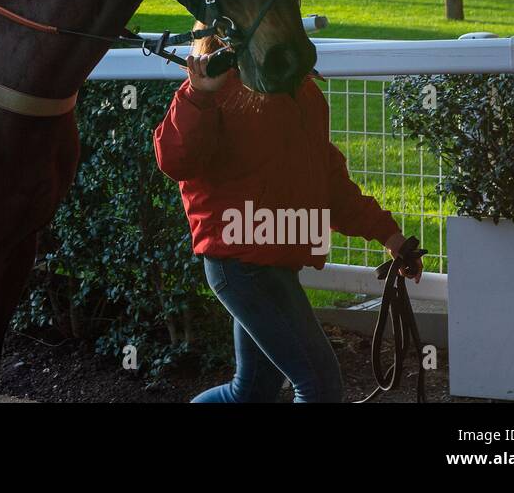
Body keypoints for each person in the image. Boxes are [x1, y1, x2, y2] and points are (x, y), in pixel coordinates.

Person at [152, 36, 422, 402]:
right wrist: (198, 94)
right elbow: (176, 161)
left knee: (249, 392)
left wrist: (390, 237)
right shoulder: (215, 86)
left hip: (275, 260)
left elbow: (328, 183)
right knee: (319, 387)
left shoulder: (301, 90)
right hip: (242, 264)